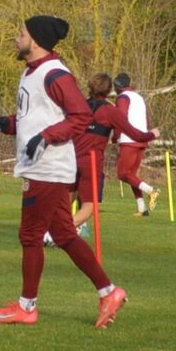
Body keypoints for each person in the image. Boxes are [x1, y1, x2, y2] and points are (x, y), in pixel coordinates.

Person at [0, 15, 127, 328]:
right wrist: (10, 124)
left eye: (21, 33)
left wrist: (47, 138)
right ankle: (109, 291)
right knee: (64, 235)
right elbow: (37, 117)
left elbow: (80, 116)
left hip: (48, 169)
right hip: (42, 167)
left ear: (35, 41)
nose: (16, 37)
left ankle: (27, 307)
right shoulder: (31, 72)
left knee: (30, 236)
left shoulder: (55, 75)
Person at [69, 71, 115, 240]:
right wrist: (151, 135)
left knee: (65, 205)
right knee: (90, 206)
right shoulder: (110, 110)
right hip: (91, 161)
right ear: (108, 90)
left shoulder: (79, 106)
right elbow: (132, 132)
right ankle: (57, 233)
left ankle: (53, 232)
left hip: (71, 158)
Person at [111, 73, 161, 216]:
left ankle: (151, 191)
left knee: (123, 174)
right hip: (142, 139)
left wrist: (115, 138)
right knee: (132, 175)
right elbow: (146, 119)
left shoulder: (122, 98)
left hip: (129, 140)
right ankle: (142, 208)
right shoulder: (138, 97)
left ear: (118, 86)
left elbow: (120, 119)